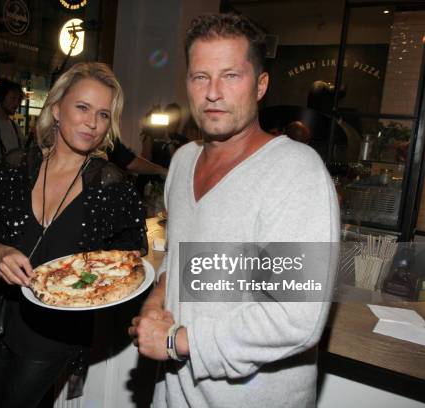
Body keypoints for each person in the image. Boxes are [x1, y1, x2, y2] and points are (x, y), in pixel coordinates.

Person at [129, 13, 339, 408]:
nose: (212, 92)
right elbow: (180, 259)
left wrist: (176, 341)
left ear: (260, 85)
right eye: (200, 77)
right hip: (174, 393)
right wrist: (156, 303)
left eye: (231, 75)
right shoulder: (183, 161)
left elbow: (295, 318)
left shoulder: (296, 172)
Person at [0, 62, 147, 408]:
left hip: (53, 333)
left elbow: (131, 256)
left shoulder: (113, 186)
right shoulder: (12, 168)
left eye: (104, 114)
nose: (93, 122)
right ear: (57, 108)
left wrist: (87, 279)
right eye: (83, 107)